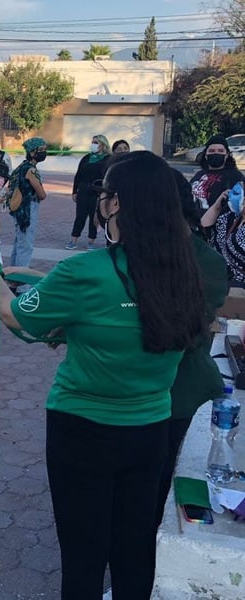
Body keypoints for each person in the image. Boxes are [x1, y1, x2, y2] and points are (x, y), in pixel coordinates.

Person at [0, 150, 206, 600]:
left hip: (81, 431)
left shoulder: (84, 272)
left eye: (104, 193)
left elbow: (11, 315)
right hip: (149, 432)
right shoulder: (184, 272)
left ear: (117, 203)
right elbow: (133, 323)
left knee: (83, 555)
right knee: (134, 548)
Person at [153, 170, 228, 533]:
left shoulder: (205, 262)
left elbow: (181, 330)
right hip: (148, 395)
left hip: (176, 394)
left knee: (162, 482)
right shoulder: (136, 253)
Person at [8, 137, 47, 290]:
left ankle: (12, 278)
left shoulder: (21, 167)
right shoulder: (31, 170)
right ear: (32, 152)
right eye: (41, 150)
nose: (44, 153)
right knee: (26, 246)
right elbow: (42, 194)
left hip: (19, 210)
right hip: (28, 210)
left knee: (19, 244)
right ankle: (22, 285)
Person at [200, 172, 245, 287]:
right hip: (219, 279)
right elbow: (204, 226)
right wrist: (217, 206)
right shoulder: (232, 217)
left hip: (239, 287)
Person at [66, 134, 110, 250]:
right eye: (92, 142)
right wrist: (74, 191)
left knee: (94, 217)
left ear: (102, 145)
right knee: (80, 216)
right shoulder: (86, 158)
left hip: (97, 192)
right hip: (83, 190)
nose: (93, 145)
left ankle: (91, 241)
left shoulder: (107, 159)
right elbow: (78, 175)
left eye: (96, 142)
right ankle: (73, 240)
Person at [190, 134, 245, 211]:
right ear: (206, 154)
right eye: (212, 151)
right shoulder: (199, 174)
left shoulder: (235, 177)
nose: (216, 153)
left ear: (227, 155)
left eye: (220, 151)